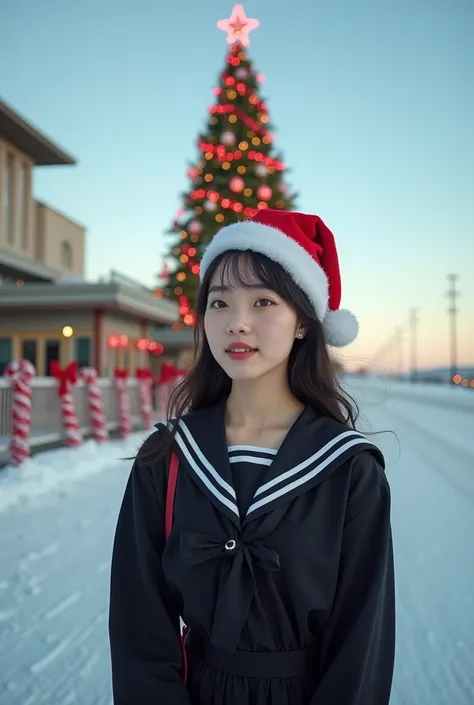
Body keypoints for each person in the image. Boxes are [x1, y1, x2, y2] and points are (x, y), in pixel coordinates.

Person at [108, 209, 395, 705]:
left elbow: (361, 645)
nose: (236, 323)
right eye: (219, 303)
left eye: (263, 301)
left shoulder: (349, 469)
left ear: (304, 324)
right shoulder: (168, 457)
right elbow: (139, 628)